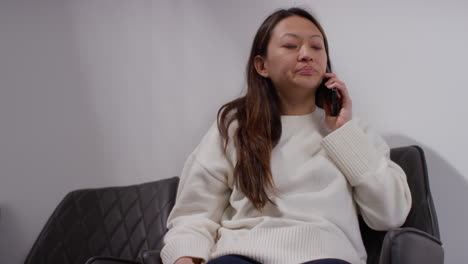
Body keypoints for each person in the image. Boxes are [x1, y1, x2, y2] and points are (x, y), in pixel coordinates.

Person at [160, 7, 412, 264]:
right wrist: (184, 258)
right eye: (291, 45)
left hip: (327, 256)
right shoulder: (234, 127)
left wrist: (343, 133)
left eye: (316, 47)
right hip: (240, 255)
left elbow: (390, 215)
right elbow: (193, 215)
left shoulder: (352, 131)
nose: (306, 55)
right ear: (262, 65)